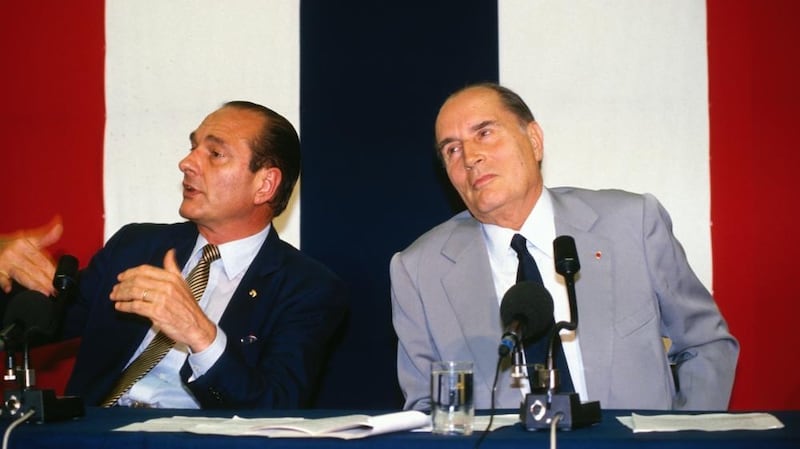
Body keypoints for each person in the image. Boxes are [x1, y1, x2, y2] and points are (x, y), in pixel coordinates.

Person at [390, 83, 739, 411]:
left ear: (535, 140)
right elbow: (425, 408)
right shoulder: (420, 271)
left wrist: (685, 439)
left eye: (485, 133)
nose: (470, 157)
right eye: (452, 149)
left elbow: (705, 344)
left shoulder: (632, 225)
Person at [0, 101, 348, 409]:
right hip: (98, 434)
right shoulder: (135, 247)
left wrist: (199, 333)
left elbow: (277, 408)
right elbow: (31, 327)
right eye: (193, 147)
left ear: (265, 185)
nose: (186, 163)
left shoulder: (307, 287)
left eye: (215, 154)